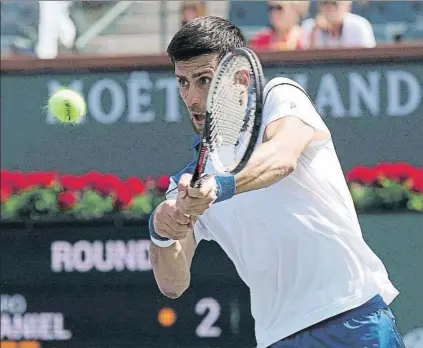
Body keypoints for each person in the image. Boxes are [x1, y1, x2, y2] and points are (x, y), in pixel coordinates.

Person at [149, 16, 403, 348]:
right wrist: (163, 232)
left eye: (204, 80)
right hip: (277, 337)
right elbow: (173, 284)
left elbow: (282, 156)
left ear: (240, 77)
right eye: (183, 82)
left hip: (350, 314)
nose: (193, 98)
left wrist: (219, 186)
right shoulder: (186, 181)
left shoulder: (278, 98)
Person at [302, 0, 376, 49]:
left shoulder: (359, 25)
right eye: (324, 3)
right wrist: (314, 32)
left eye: (334, 3)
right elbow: (307, 62)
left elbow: (368, 57)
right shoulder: (309, 26)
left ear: (347, 7)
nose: (329, 7)